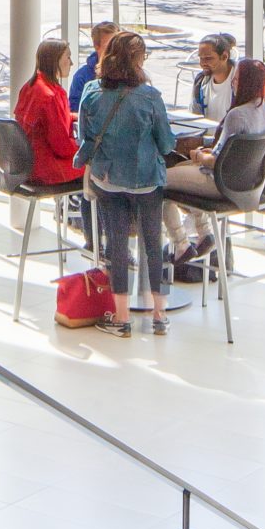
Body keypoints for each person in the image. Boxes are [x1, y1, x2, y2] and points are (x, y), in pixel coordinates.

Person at [76, 31, 179, 339]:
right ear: (139, 60)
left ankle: (121, 319)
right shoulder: (150, 96)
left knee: (116, 244)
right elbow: (166, 142)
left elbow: (84, 136)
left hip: (107, 178)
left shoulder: (92, 92)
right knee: (152, 242)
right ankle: (158, 315)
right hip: (147, 179)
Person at [165, 58, 265, 209]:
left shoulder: (237, 115)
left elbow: (216, 162)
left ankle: (181, 232)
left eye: (236, 80)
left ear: (245, 83)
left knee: (158, 179)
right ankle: (203, 231)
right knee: (182, 167)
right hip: (252, 183)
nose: (233, 84)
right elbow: (239, 153)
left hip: (221, 183)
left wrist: (198, 155)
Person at [16, 37, 85, 186]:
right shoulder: (51, 95)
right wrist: (85, 149)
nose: (71, 63)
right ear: (55, 61)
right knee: (98, 166)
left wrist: (74, 116)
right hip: (45, 170)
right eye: (68, 57)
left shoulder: (29, 87)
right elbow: (62, 147)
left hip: (24, 165)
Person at [69, 20, 116, 111]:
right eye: (108, 46)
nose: (114, 50)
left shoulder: (128, 72)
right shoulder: (82, 76)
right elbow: (75, 110)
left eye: (117, 45)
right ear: (96, 46)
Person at [189, 33, 237, 121]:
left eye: (208, 58)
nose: (202, 63)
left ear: (224, 57)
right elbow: (195, 117)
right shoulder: (200, 81)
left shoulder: (241, 80)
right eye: (201, 58)